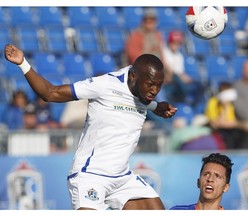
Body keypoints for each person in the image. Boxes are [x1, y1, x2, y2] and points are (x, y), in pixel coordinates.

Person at [5, 44, 177, 210]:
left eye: (159, 85)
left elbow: (136, 102)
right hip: (90, 175)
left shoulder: (142, 92)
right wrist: (22, 63)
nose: (155, 90)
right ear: (133, 76)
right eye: (151, 84)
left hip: (122, 178)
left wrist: (156, 107)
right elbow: (50, 93)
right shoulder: (105, 85)